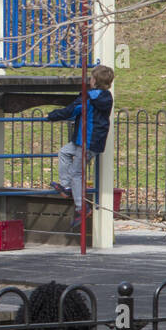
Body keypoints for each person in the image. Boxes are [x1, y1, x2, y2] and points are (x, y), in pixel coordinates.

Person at [47, 64, 114, 227]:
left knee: (77, 173)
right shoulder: (107, 97)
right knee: (64, 152)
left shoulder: (88, 98)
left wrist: (51, 116)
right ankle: (66, 186)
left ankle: (81, 207)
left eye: (91, 78)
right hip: (90, 140)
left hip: (86, 141)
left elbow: (71, 111)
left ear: (94, 81)